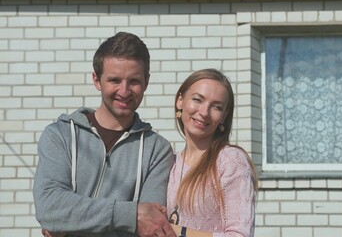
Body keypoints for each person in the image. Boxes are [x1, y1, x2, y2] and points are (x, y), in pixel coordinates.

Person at [33, 32, 175, 237]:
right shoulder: (60, 135)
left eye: (134, 81)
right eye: (114, 80)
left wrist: (72, 220)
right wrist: (131, 214)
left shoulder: (157, 149)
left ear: (146, 82)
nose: (124, 91)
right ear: (96, 80)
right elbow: (49, 207)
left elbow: (150, 227)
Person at [167, 69, 258, 237]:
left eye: (216, 107)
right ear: (180, 101)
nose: (204, 112)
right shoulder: (168, 162)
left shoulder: (230, 161)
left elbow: (241, 235)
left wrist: (178, 232)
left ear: (224, 116)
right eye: (197, 100)